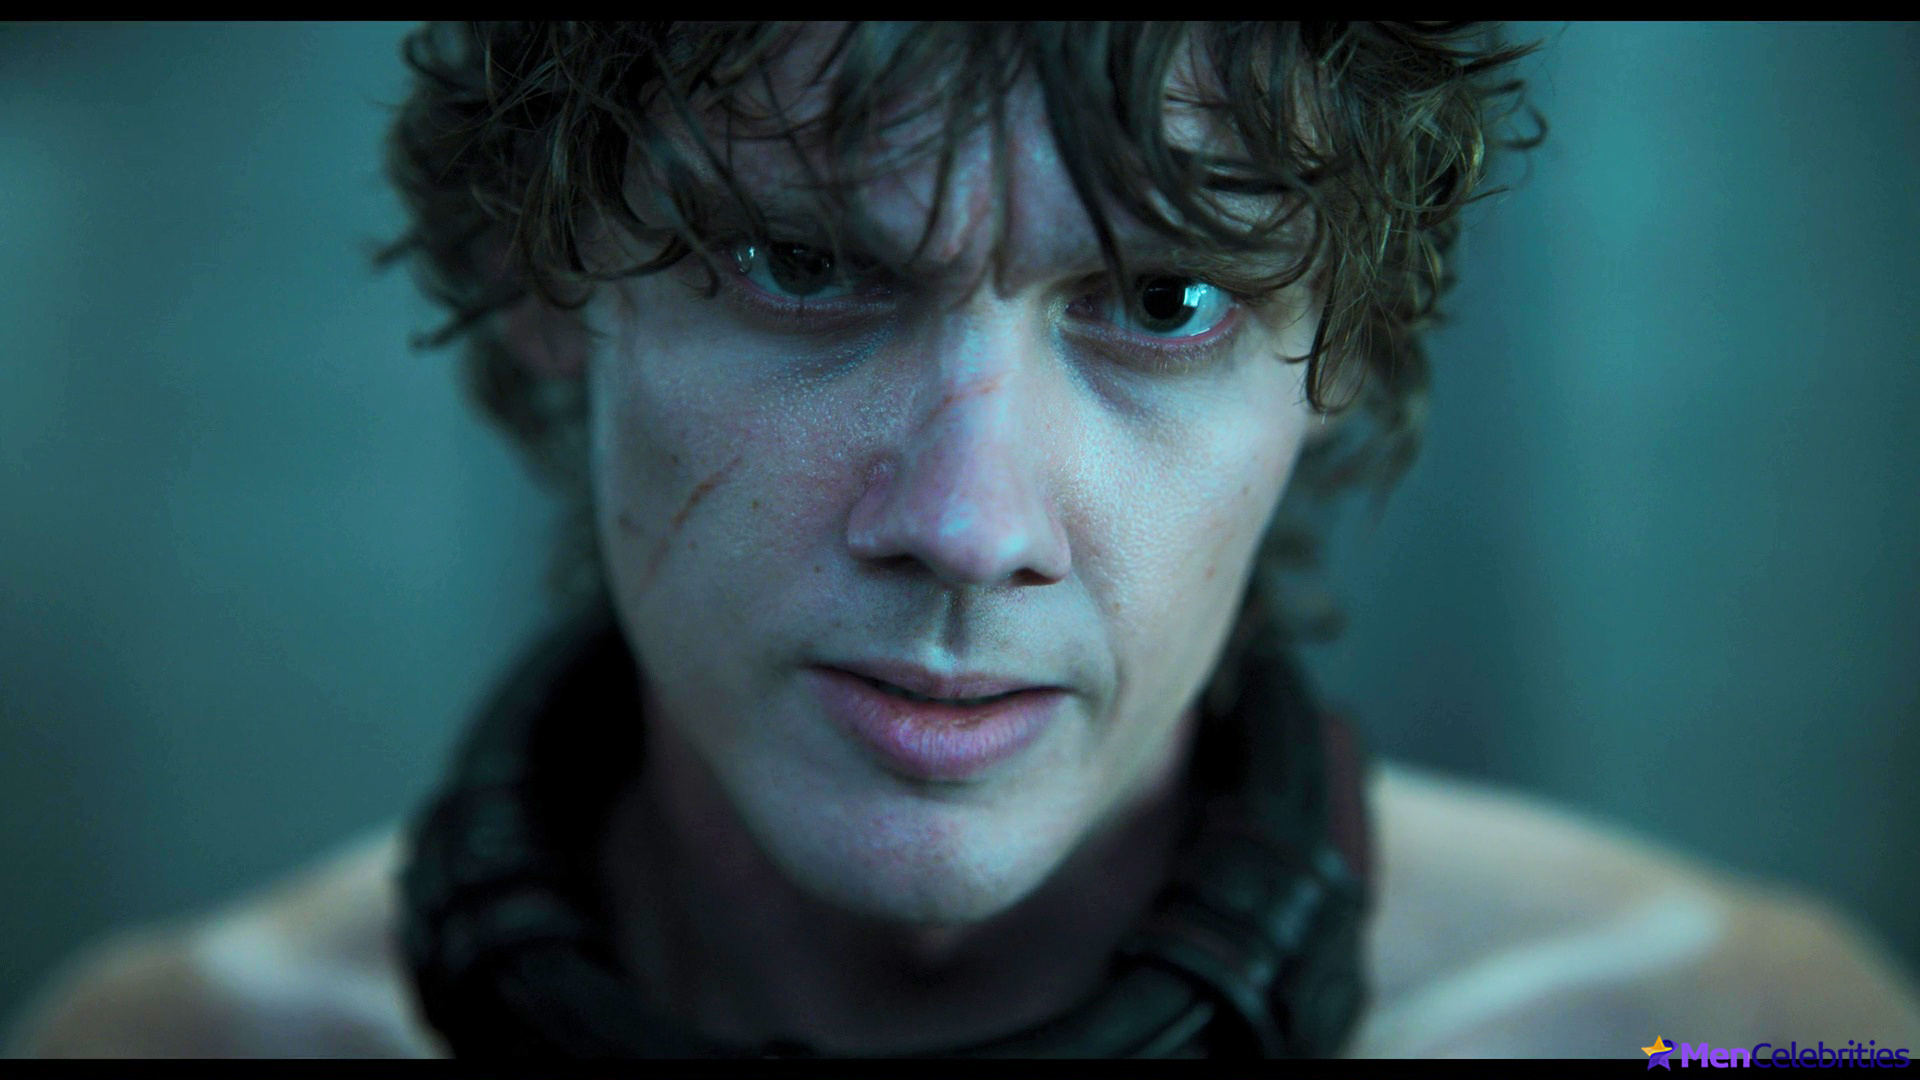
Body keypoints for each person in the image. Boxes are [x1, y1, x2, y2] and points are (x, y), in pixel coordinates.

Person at [9, 21, 1920, 1059]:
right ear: (546, 289)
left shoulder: (1724, 1039)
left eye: (1163, 303)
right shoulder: (179, 1048)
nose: (967, 526)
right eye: (804, 266)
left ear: (1344, 356)